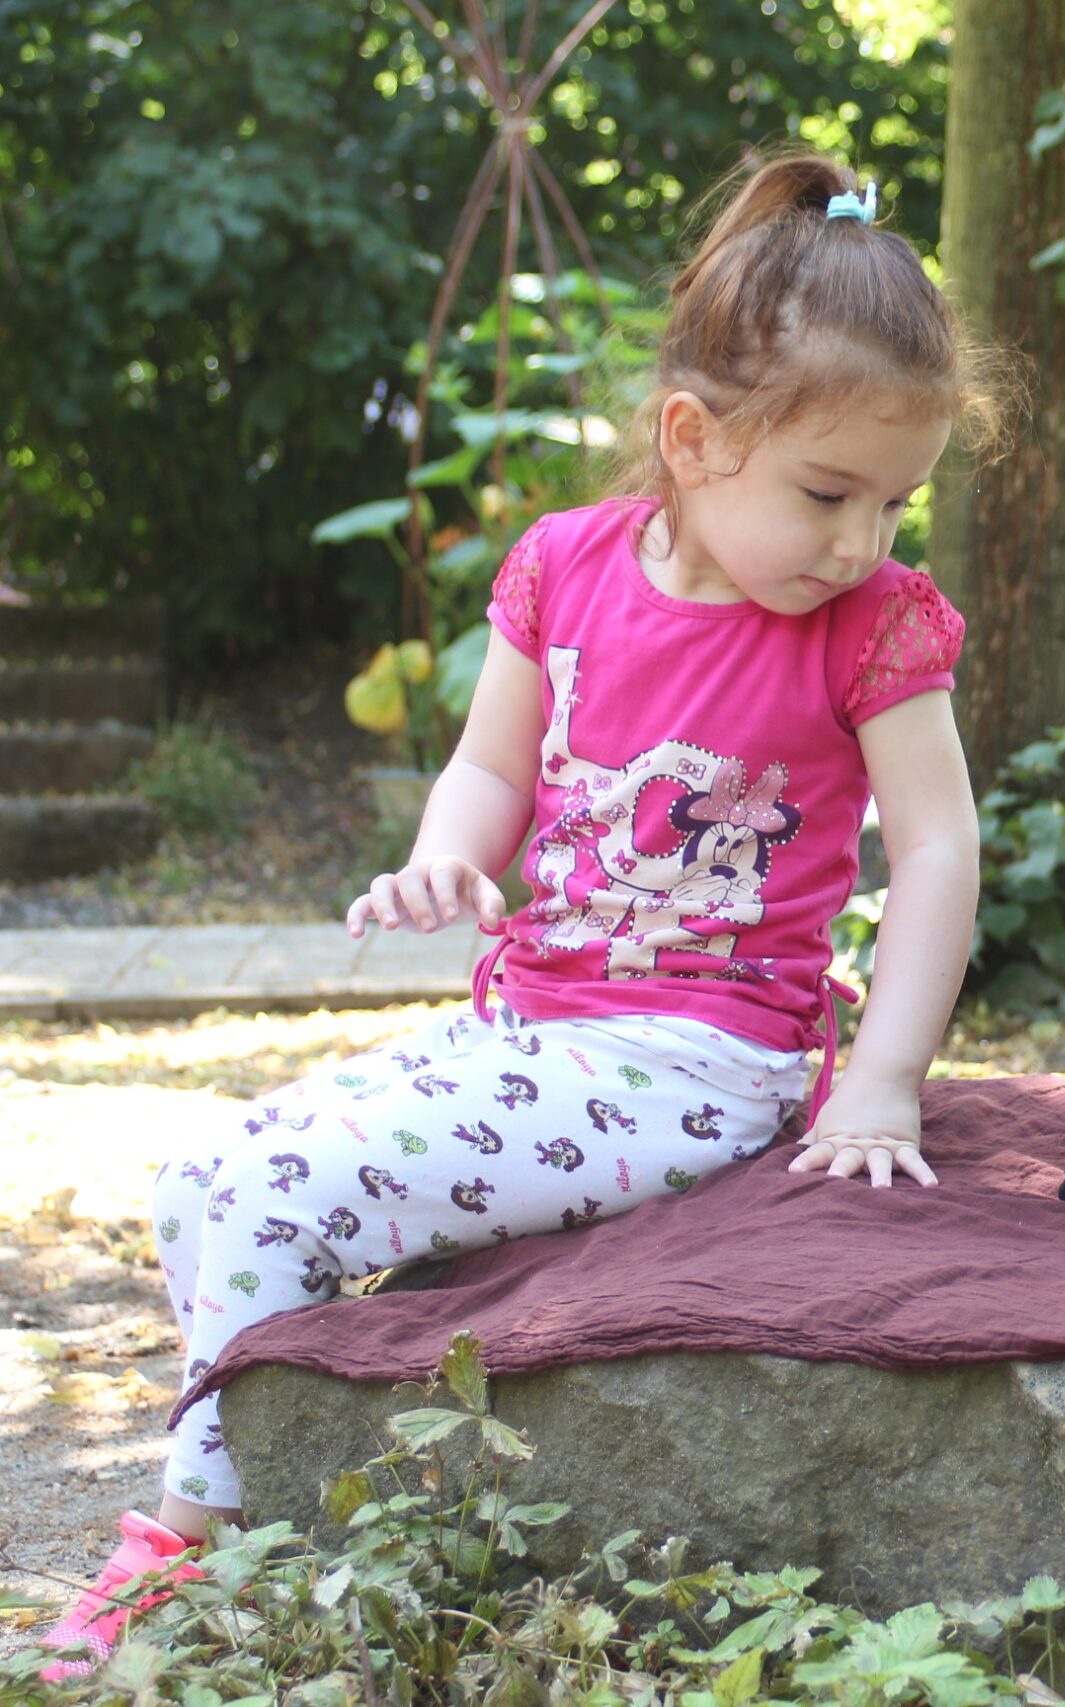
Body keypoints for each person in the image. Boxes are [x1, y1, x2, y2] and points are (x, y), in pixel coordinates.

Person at [37, 154, 994, 1680]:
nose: (861, 539)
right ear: (692, 439)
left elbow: (938, 847)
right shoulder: (563, 566)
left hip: (698, 1059)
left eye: (894, 501)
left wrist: (879, 1081)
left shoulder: (876, 628)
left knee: (271, 1188)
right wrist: (444, 859)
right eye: (828, 493)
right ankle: (261, 1498)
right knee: (196, 1176)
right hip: (529, 1023)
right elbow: (491, 762)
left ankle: (174, 1549)